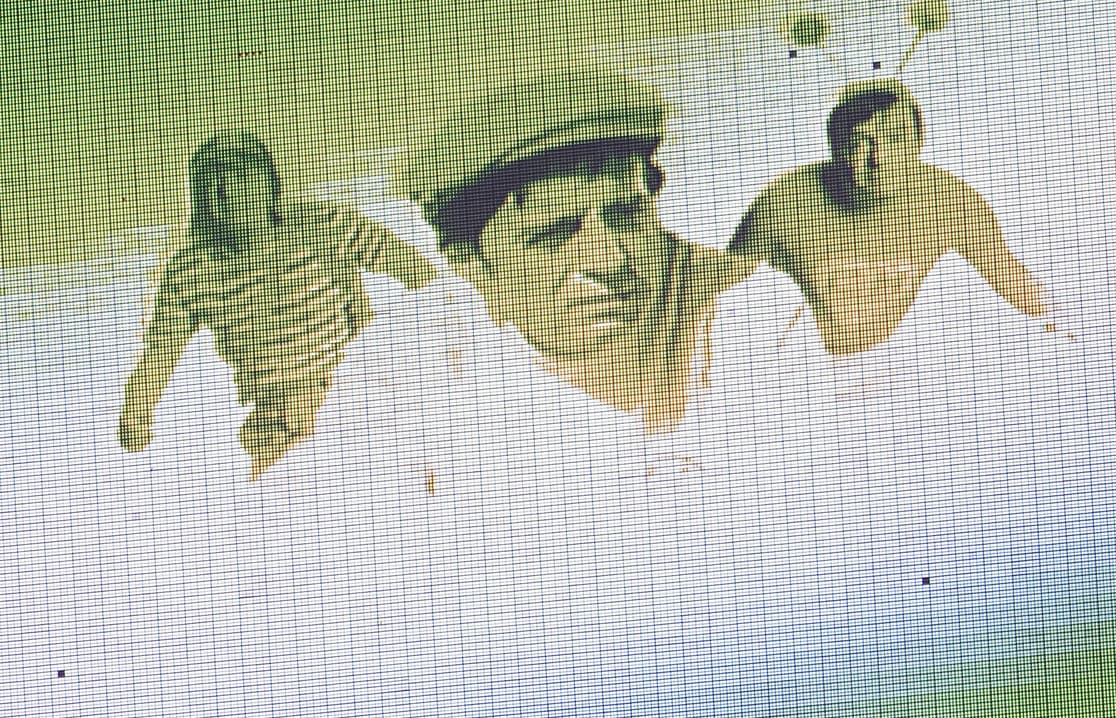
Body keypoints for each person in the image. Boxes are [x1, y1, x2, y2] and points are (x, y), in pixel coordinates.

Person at [405, 69, 750, 433]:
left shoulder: (753, 310)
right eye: (552, 233)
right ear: (471, 267)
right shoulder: (423, 400)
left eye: (627, 214)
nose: (609, 258)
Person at [119, 131, 436, 475]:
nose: (227, 193)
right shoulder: (189, 273)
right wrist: (136, 415)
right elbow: (161, 353)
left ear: (268, 184)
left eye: (240, 178)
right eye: (213, 184)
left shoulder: (324, 224)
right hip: (271, 409)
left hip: (350, 383)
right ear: (201, 199)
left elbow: (420, 274)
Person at [731, 79, 1065, 359]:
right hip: (805, 362)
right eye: (860, 142)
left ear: (920, 142)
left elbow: (1010, 277)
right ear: (834, 150)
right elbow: (721, 292)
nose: (879, 157)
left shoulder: (952, 203)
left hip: (902, 360)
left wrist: (1065, 323)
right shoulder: (783, 203)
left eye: (895, 138)